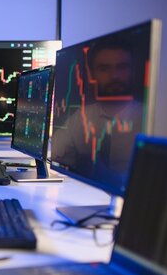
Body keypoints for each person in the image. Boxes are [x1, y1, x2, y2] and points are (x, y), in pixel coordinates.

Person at [51, 37, 144, 189]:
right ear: (92, 73)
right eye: (104, 68)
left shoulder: (148, 120)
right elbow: (56, 156)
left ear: (132, 70)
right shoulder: (81, 118)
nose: (114, 76)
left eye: (122, 67)